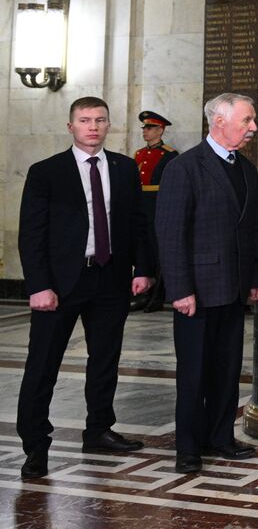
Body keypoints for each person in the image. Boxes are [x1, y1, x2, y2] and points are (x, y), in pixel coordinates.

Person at [16, 97, 154, 480]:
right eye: (84, 120)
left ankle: (98, 430)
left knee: (105, 360)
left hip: (110, 278)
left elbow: (138, 224)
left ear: (109, 125)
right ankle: (35, 446)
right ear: (71, 126)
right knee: (43, 365)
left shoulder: (125, 169)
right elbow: (31, 235)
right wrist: (39, 285)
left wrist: (142, 269)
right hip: (60, 284)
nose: (93, 126)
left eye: (100, 120)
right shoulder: (46, 172)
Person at [155, 92, 258, 474]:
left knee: (226, 369)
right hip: (197, 292)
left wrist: (254, 278)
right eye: (247, 120)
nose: (253, 128)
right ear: (219, 121)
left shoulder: (246, 169)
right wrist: (180, 289)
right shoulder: (185, 167)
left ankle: (221, 437)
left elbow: (253, 233)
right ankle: (188, 447)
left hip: (233, 291)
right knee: (194, 373)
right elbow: (170, 234)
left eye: (252, 121)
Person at [132, 110, 177, 312]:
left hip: (158, 205)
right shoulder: (139, 154)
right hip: (141, 205)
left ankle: (157, 296)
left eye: (150, 128)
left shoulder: (169, 155)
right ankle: (143, 293)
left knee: (159, 251)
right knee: (143, 249)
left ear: (161, 129)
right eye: (144, 128)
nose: (146, 131)